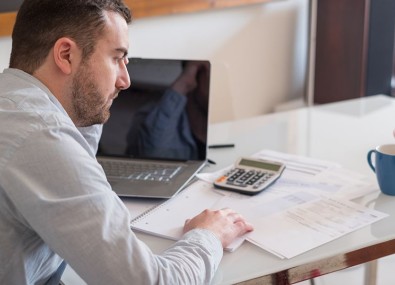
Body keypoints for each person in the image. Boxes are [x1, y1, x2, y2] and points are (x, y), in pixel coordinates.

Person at [0, 0, 253, 284]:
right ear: (66, 55)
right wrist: (209, 234)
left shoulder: (14, 106)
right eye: (116, 58)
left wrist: (92, 101)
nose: (125, 80)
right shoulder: (41, 136)